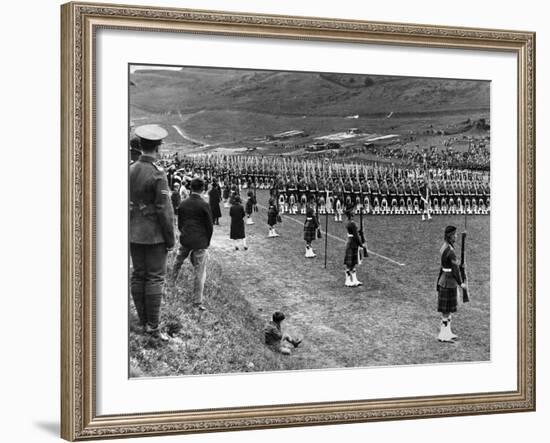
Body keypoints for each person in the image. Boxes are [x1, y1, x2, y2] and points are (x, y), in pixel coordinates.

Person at [129, 124, 175, 340]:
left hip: (133, 233)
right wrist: (170, 239)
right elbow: (164, 211)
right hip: (154, 236)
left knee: (139, 275)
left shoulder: (130, 169)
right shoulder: (158, 174)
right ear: (158, 147)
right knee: (155, 278)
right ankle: (153, 327)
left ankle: (142, 321)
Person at [171, 177, 213, 311]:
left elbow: (180, 223)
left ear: (190, 188)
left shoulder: (183, 204)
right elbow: (209, 226)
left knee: (177, 262)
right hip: (200, 241)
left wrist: (184, 233)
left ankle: (170, 284)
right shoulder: (204, 205)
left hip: (186, 238)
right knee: (200, 272)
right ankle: (197, 302)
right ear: (203, 189)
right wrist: (206, 241)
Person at [436, 225, 467, 342]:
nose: (457, 236)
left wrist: (459, 266)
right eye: (455, 235)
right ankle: (443, 335)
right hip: (449, 282)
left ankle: (447, 332)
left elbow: (447, 265)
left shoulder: (444, 247)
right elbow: (454, 270)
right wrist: (461, 283)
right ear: (451, 236)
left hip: (444, 280)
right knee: (446, 310)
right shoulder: (450, 251)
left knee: (447, 310)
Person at [343, 209, 365, 287]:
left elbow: (355, 232)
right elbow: (355, 235)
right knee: (350, 263)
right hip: (353, 243)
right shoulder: (352, 224)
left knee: (353, 263)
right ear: (351, 215)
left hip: (350, 242)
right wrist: (361, 244)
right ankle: (348, 280)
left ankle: (354, 279)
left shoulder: (348, 222)